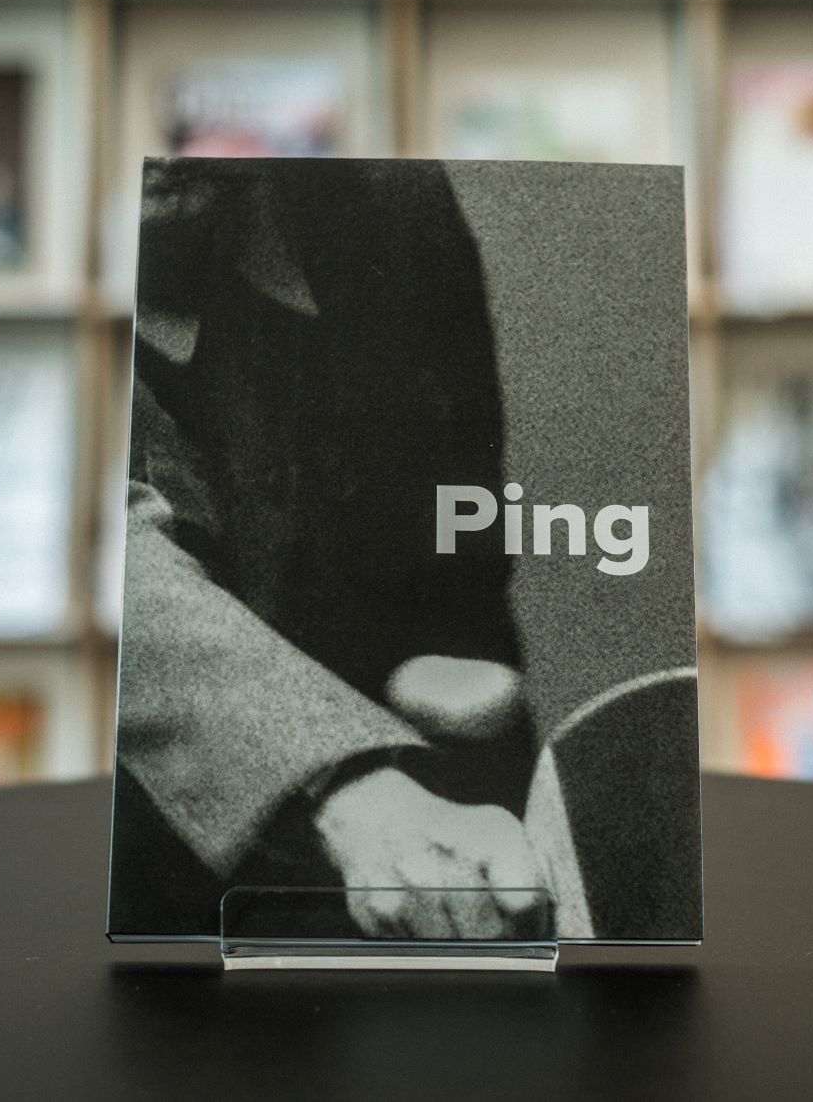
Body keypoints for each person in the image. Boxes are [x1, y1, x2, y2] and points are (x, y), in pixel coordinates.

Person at [108, 157, 547, 941]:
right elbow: (111, 559)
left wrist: (432, 668)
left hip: (413, 832)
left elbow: (461, 540)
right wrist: (345, 777)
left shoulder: (397, 204)